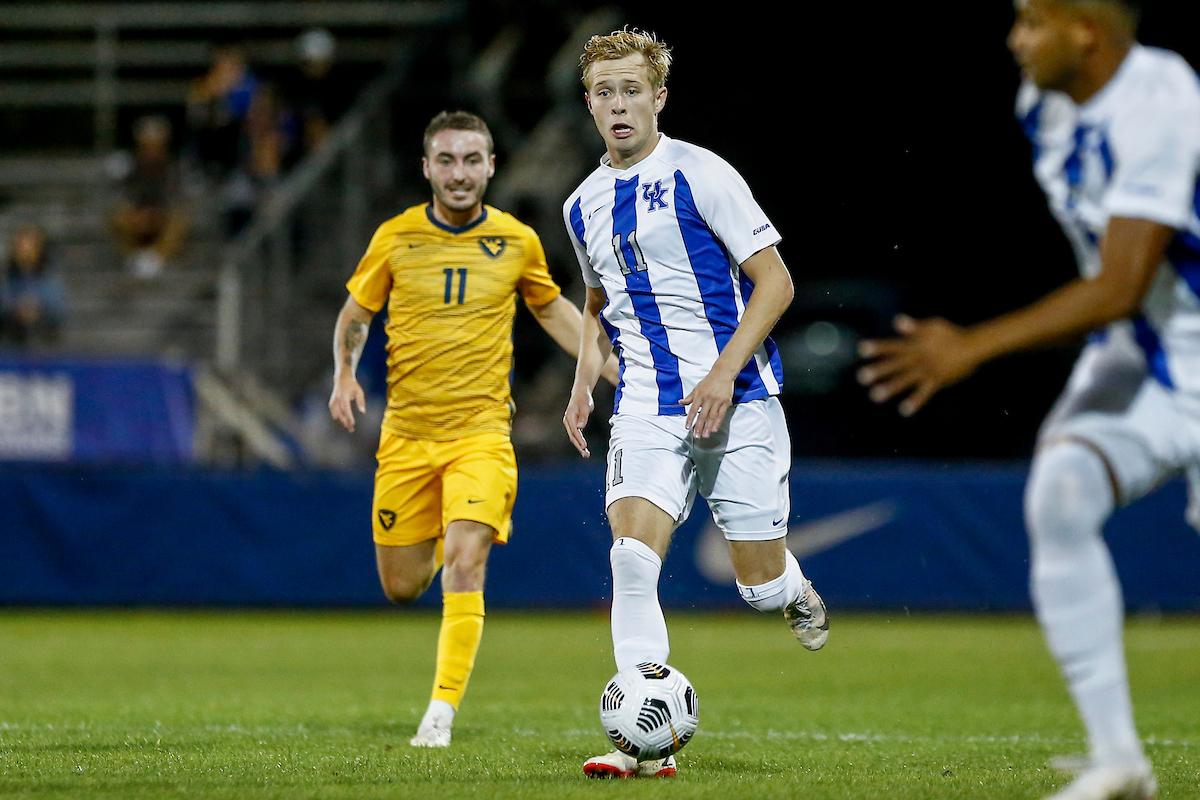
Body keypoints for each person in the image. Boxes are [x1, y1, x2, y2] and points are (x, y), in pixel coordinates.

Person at [857, 2, 1197, 798]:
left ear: (1086, 32)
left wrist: (971, 345)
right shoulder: (1043, 105)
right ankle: (1119, 762)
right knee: (1062, 494)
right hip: (1146, 354)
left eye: (1033, 23)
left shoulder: (1160, 99)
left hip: (1163, 333)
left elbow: (1120, 282)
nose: (1016, 40)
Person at [561, 29, 828, 780]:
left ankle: (791, 586)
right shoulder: (580, 205)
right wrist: (584, 379)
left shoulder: (702, 174)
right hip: (646, 403)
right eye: (605, 92)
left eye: (632, 90)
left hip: (738, 399)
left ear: (658, 98)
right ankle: (640, 744)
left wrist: (720, 373)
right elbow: (595, 299)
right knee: (631, 559)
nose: (619, 104)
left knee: (756, 586)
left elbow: (776, 283)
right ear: (589, 104)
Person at [328, 110, 617, 749]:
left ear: (491, 166)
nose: (460, 173)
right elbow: (356, 313)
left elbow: (555, 313)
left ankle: (440, 713)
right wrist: (345, 373)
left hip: (482, 435)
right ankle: (437, 531)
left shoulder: (517, 241)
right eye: (447, 161)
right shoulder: (396, 238)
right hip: (405, 437)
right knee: (401, 586)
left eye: (472, 160)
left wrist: (613, 371)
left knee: (467, 557)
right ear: (427, 168)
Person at [111, 115, 189, 278]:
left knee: (179, 222)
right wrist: (138, 215)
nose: (151, 150)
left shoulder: (174, 168)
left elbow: (178, 201)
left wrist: (156, 216)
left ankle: (157, 258)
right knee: (118, 217)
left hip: (162, 218)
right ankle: (133, 257)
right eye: (147, 144)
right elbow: (121, 198)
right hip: (136, 217)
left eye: (156, 144)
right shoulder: (128, 167)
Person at [1, 224, 66, 348]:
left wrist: (38, 307)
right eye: (21, 245)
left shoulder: (49, 273)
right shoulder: (7, 272)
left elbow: (56, 303)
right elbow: (5, 297)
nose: (25, 249)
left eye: (29, 244)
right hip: (12, 326)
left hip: (44, 324)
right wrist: (17, 307)